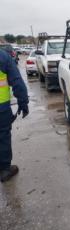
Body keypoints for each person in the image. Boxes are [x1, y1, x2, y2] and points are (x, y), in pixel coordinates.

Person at [0, 49, 29, 182]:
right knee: (3, 136)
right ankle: (5, 170)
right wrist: (23, 102)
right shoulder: (3, 57)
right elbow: (16, 81)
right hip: (1, 108)